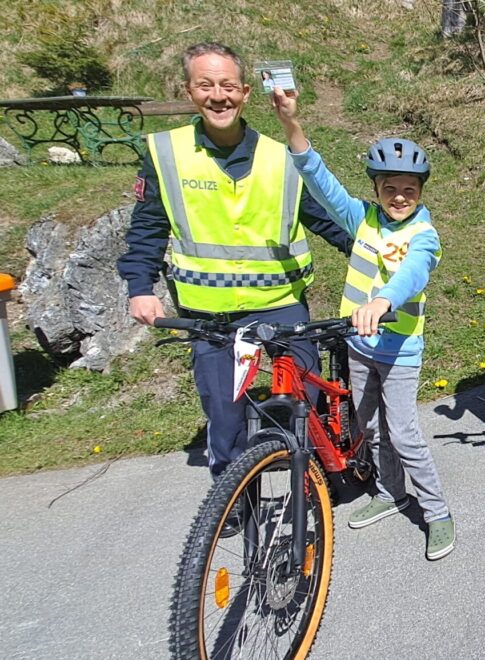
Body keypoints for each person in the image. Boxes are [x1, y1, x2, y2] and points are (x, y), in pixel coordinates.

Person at [117, 42, 351, 479]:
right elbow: (147, 228)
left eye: (227, 85)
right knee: (224, 415)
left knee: (305, 402)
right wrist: (140, 288)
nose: (218, 96)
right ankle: (233, 495)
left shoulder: (281, 158)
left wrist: (375, 255)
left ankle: (311, 483)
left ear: (245, 92)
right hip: (209, 311)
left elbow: (326, 220)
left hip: (281, 301)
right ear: (189, 91)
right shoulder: (165, 153)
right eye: (206, 85)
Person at [271, 87, 456, 561]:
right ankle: (392, 494)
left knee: (404, 434)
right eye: (390, 188)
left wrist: (384, 300)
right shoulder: (363, 220)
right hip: (359, 346)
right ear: (375, 189)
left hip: (398, 350)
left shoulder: (425, 235)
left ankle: (437, 513)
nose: (399, 197)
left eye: (409, 190)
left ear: (421, 193)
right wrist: (292, 125)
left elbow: (413, 273)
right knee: (368, 428)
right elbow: (320, 181)